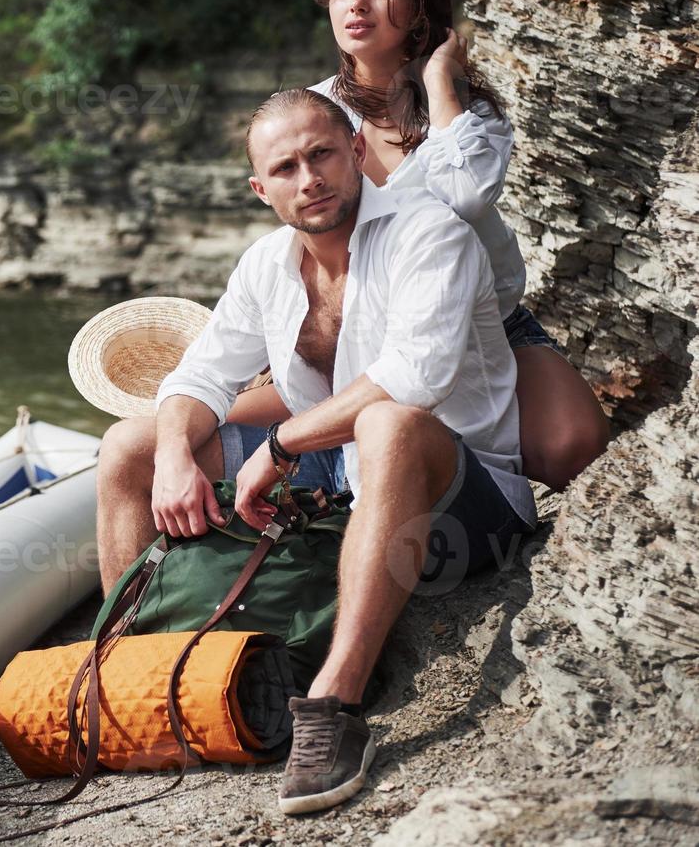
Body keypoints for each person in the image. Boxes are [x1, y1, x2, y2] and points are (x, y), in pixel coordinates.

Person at [94, 88, 534, 815]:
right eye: (287, 167)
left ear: (355, 150)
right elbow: (199, 375)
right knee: (128, 448)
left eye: (321, 154)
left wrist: (279, 443)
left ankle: (334, 708)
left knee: (387, 422)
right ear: (259, 189)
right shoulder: (265, 264)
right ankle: (132, 668)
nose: (310, 179)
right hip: (334, 470)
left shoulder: (430, 233)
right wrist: (173, 452)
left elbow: (414, 379)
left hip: (463, 496)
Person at [227, 0, 609, 491]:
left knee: (571, 450)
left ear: (420, 4)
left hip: (488, 326)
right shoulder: (315, 114)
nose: (358, 4)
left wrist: (437, 80)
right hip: (362, 337)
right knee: (211, 414)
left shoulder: (468, 113)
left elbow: (464, 195)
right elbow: (298, 225)